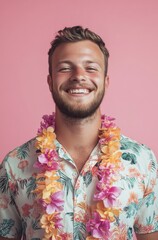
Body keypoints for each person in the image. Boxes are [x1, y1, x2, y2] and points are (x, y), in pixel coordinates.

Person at [0, 26, 158, 240]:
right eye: (65, 68)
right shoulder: (14, 165)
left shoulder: (142, 161)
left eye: (90, 68)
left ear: (106, 81)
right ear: (50, 82)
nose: (78, 76)